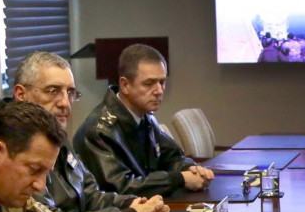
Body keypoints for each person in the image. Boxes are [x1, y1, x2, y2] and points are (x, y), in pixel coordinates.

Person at [12, 51, 169, 212]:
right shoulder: (11, 146)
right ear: (21, 95)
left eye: (70, 93)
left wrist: (135, 204)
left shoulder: (52, 132)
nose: (65, 103)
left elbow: (90, 195)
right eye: (52, 91)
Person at [74, 43, 215, 195]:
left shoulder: (145, 116)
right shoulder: (98, 131)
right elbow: (120, 186)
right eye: (149, 83)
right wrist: (180, 179)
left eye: (162, 82)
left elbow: (173, 157)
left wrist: (192, 170)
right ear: (125, 85)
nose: (159, 91)